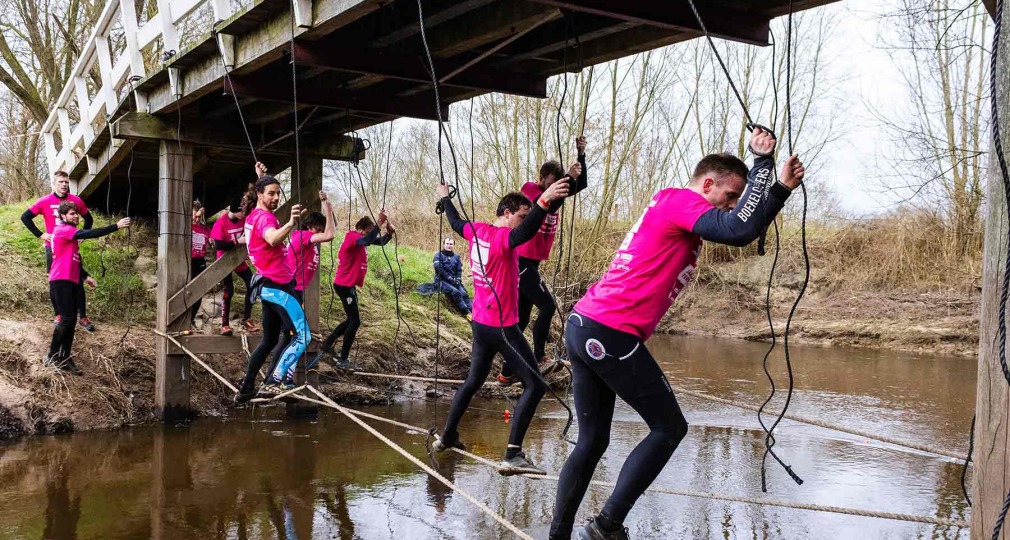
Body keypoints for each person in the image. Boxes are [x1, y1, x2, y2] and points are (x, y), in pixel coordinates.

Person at [548, 129, 805, 540]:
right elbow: (739, 229)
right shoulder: (679, 201)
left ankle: (559, 535)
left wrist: (780, 190)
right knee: (669, 428)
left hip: (589, 325)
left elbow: (745, 225)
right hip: (609, 331)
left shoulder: (676, 208)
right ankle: (605, 527)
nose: (733, 205)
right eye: (730, 195)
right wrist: (762, 163)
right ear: (708, 184)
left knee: (592, 441)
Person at [432, 179, 569, 474]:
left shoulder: (476, 231)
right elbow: (525, 231)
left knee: (473, 382)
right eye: (521, 215)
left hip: (481, 324)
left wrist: (445, 197)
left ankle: (447, 436)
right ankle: (513, 454)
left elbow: (455, 222)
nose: (523, 220)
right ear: (506, 213)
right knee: (535, 386)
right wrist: (544, 201)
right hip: (502, 328)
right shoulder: (502, 238)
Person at [498, 136, 588, 386]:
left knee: (522, 319)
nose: (555, 186)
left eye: (557, 182)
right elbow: (548, 203)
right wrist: (566, 177)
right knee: (548, 307)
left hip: (532, 263)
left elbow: (580, 185)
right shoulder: (529, 190)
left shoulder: (556, 193)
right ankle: (538, 356)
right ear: (542, 177)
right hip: (522, 261)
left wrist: (581, 155)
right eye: (552, 182)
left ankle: (506, 372)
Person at [234, 170, 309, 402]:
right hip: (278, 287)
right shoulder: (265, 219)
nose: (276, 198)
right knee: (303, 336)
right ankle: (273, 383)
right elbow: (272, 238)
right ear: (259, 194)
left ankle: (246, 388)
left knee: (269, 340)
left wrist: (261, 176)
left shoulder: (252, 216)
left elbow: (264, 236)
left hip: (267, 287)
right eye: (271, 194)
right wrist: (291, 223)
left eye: (278, 193)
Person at [47, 201, 130, 374]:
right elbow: (90, 233)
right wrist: (115, 226)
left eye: (76, 213)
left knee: (71, 321)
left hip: (71, 280)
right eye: (72, 214)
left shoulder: (70, 236)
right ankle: (52, 356)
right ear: (63, 216)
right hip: (60, 280)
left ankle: (64, 357)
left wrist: (86, 277)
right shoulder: (63, 230)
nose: (76, 216)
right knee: (66, 319)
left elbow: (74, 260)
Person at [22, 171, 98, 332]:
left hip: (70, 246)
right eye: (60, 182)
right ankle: (58, 315)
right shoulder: (45, 201)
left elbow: (89, 219)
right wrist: (41, 234)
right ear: (54, 183)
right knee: (54, 283)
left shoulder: (75, 200)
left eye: (66, 182)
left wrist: (82, 236)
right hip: (52, 247)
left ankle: (83, 317)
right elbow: (25, 217)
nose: (64, 185)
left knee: (78, 280)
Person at [318, 211, 395, 370]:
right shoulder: (352, 237)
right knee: (355, 321)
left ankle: (327, 343)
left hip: (348, 285)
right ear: (360, 229)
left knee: (351, 319)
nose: (369, 235)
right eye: (367, 231)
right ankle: (343, 360)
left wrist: (389, 234)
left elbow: (378, 242)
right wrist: (379, 223)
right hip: (344, 285)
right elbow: (366, 240)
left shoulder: (361, 239)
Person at [210, 188, 258, 336]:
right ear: (234, 210)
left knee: (252, 283)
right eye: (242, 212)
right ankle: (224, 324)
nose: (244, 214)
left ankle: (246, 319)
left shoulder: (244, 218)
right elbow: (218, 245)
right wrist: (237, 241)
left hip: (238, 259)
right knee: (228, 291)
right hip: (224, 260)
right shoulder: (221, 223)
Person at [287, 191, 336, 304]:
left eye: (322, 230)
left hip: (296, 287)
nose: (320, 232)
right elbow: (329, 235)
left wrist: (327, 203)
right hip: (292, 287)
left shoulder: (306, 238)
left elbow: (332, 228)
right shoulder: (304, 236)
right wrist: (328, 208)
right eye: (318, 229)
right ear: (309, 225)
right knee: (292, 316)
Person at [419, 237, 472, 317]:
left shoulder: (457, 257)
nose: (449, 246)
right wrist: (450, 279)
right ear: (444, 244)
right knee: (456, 292)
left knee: (464, 294)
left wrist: (458, 279)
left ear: (454, 245)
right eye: (447, 244)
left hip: (454, 281)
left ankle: (476, 313)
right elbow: (439, 270)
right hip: (441, 281)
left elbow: (459, 270)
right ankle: (467, 313)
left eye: (451, 244)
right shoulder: (438, 255)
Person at [190, 200, 212, 327]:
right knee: (187, 290)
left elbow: (212, 241)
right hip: (188, 261)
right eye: (194, 215)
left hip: (200, 261)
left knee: (198, 292)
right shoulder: (186, 226)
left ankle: (191, 319)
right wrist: (195, 214)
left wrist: (212, 242)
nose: (197, 218)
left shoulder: (205, 229)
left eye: (199, 216)